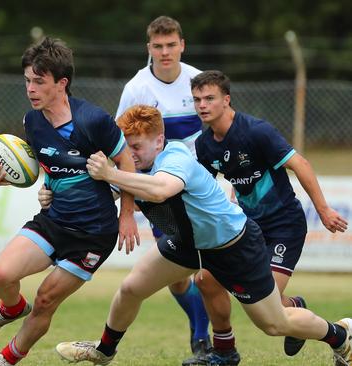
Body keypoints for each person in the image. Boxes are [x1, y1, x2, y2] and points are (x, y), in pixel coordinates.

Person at [53, 104, 352, 366]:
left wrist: (111, 174)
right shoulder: (131, 167)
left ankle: (341, 336)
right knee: (132, 288)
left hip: (232, 244)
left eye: (137, 146)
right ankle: (104, 350)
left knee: (274, 323)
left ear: (159, 141)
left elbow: (160, 190)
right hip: (188, 244)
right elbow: (101, 191)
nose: (130, 154)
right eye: (126, 147)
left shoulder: (175, 157)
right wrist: (52, 194)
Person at [0, 37, 138, 366]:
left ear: (61, 83)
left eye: (39, 81)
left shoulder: (93, 121)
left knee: (46, 299)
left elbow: (127, 163)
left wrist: (127, 214)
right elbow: (45, 166)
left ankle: (4, 360)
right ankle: (12, 308)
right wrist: (7, 178)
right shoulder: (31, 122)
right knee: (0, 274)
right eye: (27, 81)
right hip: (53, 220)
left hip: (93, 233)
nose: (30, 89)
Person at [183, 69, 349, 364]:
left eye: (210, 98)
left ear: (226, 100)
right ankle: (224, 353)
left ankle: (340, 335)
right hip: (248, 228)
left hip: (284, 226)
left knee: (268, 313)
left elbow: (301, 164)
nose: (202, 105)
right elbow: (204, 189)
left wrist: (323, 210)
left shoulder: (256, 131)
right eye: (197, 99)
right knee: (206, 280)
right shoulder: (205, 145)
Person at [116, 15, 212, 361]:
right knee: (177, 277)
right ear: (149, 49)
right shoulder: (137, 89)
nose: (165, 52)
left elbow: (219, 131)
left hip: (201, 189)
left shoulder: (197, 82)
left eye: (171, 45)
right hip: (160, 194)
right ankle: (199, 326)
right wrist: (126, 209)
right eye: (158, 46)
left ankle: (204, 340)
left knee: (208, 271)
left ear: (182, 45)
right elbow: (121, 150)